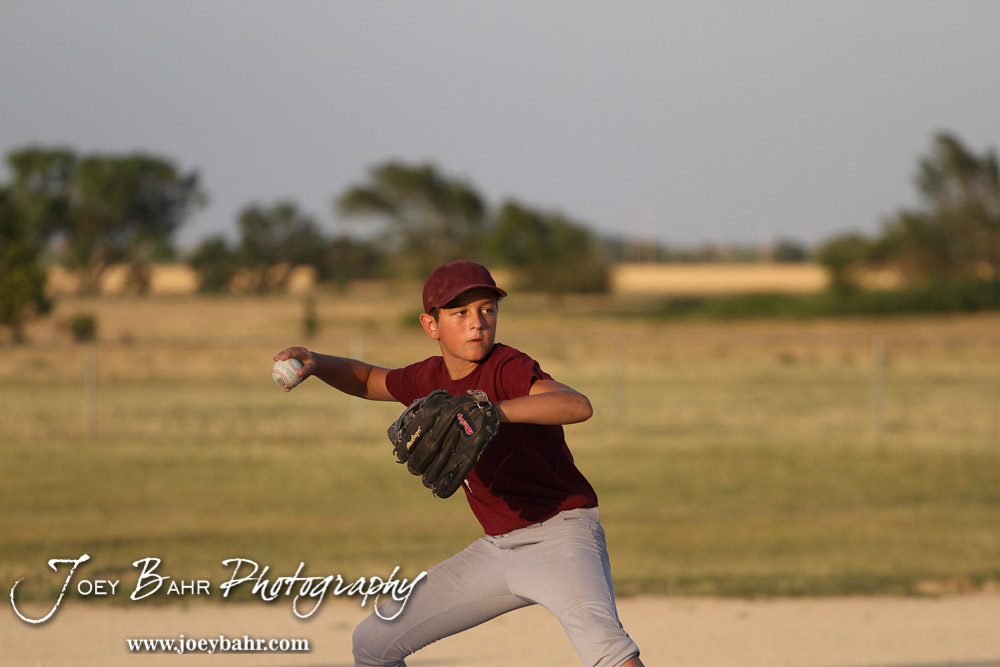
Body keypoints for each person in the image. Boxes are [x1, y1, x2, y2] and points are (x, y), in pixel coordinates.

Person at [274, 259, 643, 667]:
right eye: (459, 313)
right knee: (373, 642)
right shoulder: (429, 379)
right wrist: (318, 362)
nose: (477, 323)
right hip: (497, 552)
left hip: (562, 538)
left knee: (608, 652)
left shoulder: (507, 367)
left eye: (487, 309)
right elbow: (368, 380)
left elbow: (577, 404)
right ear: (431, 326)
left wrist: (491, 411)